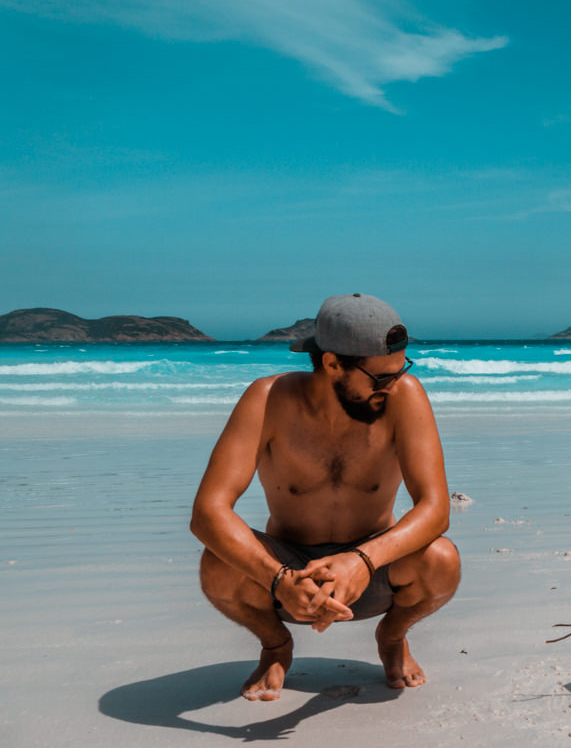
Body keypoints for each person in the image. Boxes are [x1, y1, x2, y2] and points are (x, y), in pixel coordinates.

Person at [191, 293, 460, 700]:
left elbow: (435, 509)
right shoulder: (268, 399)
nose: (393, 386)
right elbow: (208, 513)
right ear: (333, 363)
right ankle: (276, 646)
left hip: (375, 566)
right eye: (381, 378)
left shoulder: (404, 395)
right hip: (290, 570)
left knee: (442, 560)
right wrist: (278, 579)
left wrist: (362, 561)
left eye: (400, 371)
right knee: (216, 565)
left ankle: (392, 636)